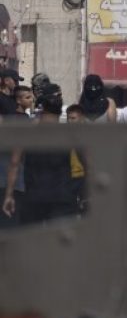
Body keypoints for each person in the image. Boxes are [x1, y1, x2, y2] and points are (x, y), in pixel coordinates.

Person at [2, 94, 79, 224]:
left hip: (34, 196)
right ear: (60, 112)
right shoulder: (69, 133)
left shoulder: (28, 133)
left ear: (43, 110)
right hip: (62, 196)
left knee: (32, 240)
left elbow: (14, 163)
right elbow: (87, 163)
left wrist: (9, 195)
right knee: (59, 241)